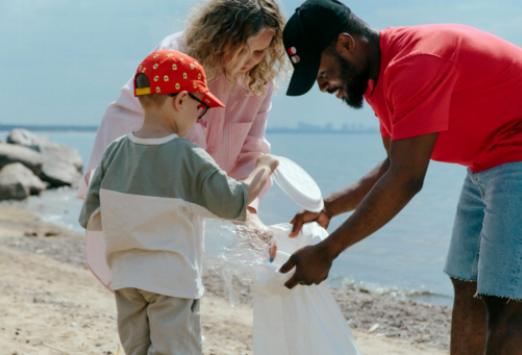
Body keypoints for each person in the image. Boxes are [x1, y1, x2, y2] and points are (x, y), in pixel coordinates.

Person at [279, 0, 522, 354]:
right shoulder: (383, 76)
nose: (323, 86)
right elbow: (394, 166)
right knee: (466, 283)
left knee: (506, 299)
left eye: (321, 73)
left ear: (346, 44)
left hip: (514, 155)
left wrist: (328, 251)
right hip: (488, 162)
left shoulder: (416, 63)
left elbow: (407, 179)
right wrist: (329, 209)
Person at [79, 50, 278, 355]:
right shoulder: (189, 156)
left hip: (126, 278)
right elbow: (233, 200)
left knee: (136, 350)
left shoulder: (115, 151)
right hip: (171, 281)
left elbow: (91, 216)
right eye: (200, 108)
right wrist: (263, 167)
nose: (201, 117)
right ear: (180, 100)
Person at [81, 0, 286, 226]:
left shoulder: (258, 82)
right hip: (146, 188)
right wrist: (264, 169)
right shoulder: (176, 60)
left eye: (259, 52)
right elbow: (133, 123)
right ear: (219, 35)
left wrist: (249, 211)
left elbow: (251, 148)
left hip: (193, 201)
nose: (247, 61)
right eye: (240, 49)